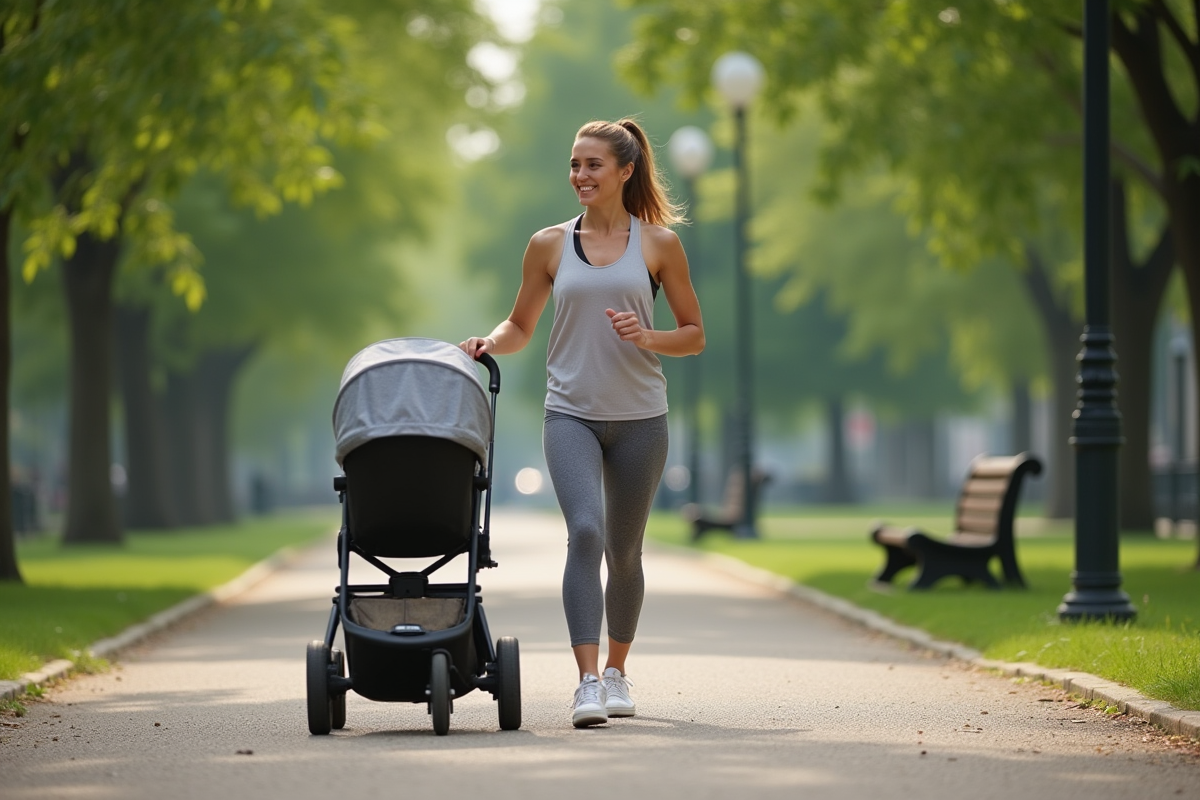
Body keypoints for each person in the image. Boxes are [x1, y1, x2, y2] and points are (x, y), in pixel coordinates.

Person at [460, 117, 705, 728]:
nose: (580, 175)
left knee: (625, 551)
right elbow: (520, 325)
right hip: (569, 412)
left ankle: (619, 672)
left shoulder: (659, 245)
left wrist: (648, 335)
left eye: (593, 165)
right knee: (587, 533)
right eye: (574, 164)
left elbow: (695, 335)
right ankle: (587, 682)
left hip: (642, 418)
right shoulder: (547, 244)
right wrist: (489, 342)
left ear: (625, 171)